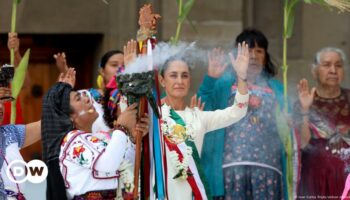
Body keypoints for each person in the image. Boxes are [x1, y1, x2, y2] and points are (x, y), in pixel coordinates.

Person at [198, 28, 294, 199]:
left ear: (266, 57)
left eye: (259, 51)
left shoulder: (278, 89)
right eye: (248, 50)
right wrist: (211, 78)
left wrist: (290, 124)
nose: (254, 56)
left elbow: (289, 131)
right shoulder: (223, 83)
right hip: (229, 171)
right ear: (237, 55)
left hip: (269, 171)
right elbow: (201, 111)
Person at [148, 42, 249, 200]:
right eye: (173, 75)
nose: (180, 81)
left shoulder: (199, 118)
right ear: (162, 81)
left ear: (189, 81)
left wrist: (242, 77)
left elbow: (238, 111)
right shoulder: (153, 116)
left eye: (185, 75)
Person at [41, 69, 149, 200]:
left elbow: (125, 167)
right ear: (69, 117)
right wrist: (121, 127)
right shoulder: (73, 141)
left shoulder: (93, 139)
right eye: (78, 98)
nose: (87, 97)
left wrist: (132, 139)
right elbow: (108, 163)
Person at [294, 47, 350, 198]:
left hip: (347, 181)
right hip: (314, 179)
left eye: (338, 65)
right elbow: (303, 144)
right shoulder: (303, 101)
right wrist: (305, 109)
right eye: (326, 65)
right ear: (314, 70)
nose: (333, 70)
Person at [0, 87, 41, 199]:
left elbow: (46, 124)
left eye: (1, 102)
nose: (0, 107)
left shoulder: (10, 132)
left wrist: (59, 91)